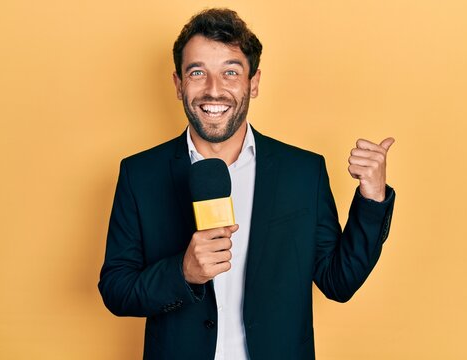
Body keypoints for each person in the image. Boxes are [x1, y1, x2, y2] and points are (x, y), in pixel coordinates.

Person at [98, 8, 395, 360]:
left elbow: (338, 281)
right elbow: (116, 289)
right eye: (197, 72)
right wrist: (183, 272)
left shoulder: (302, 172)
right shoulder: (140, 174)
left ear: (253, 83)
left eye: (230, 72)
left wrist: (372, 197)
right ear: (178, 85)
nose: (214, 90)